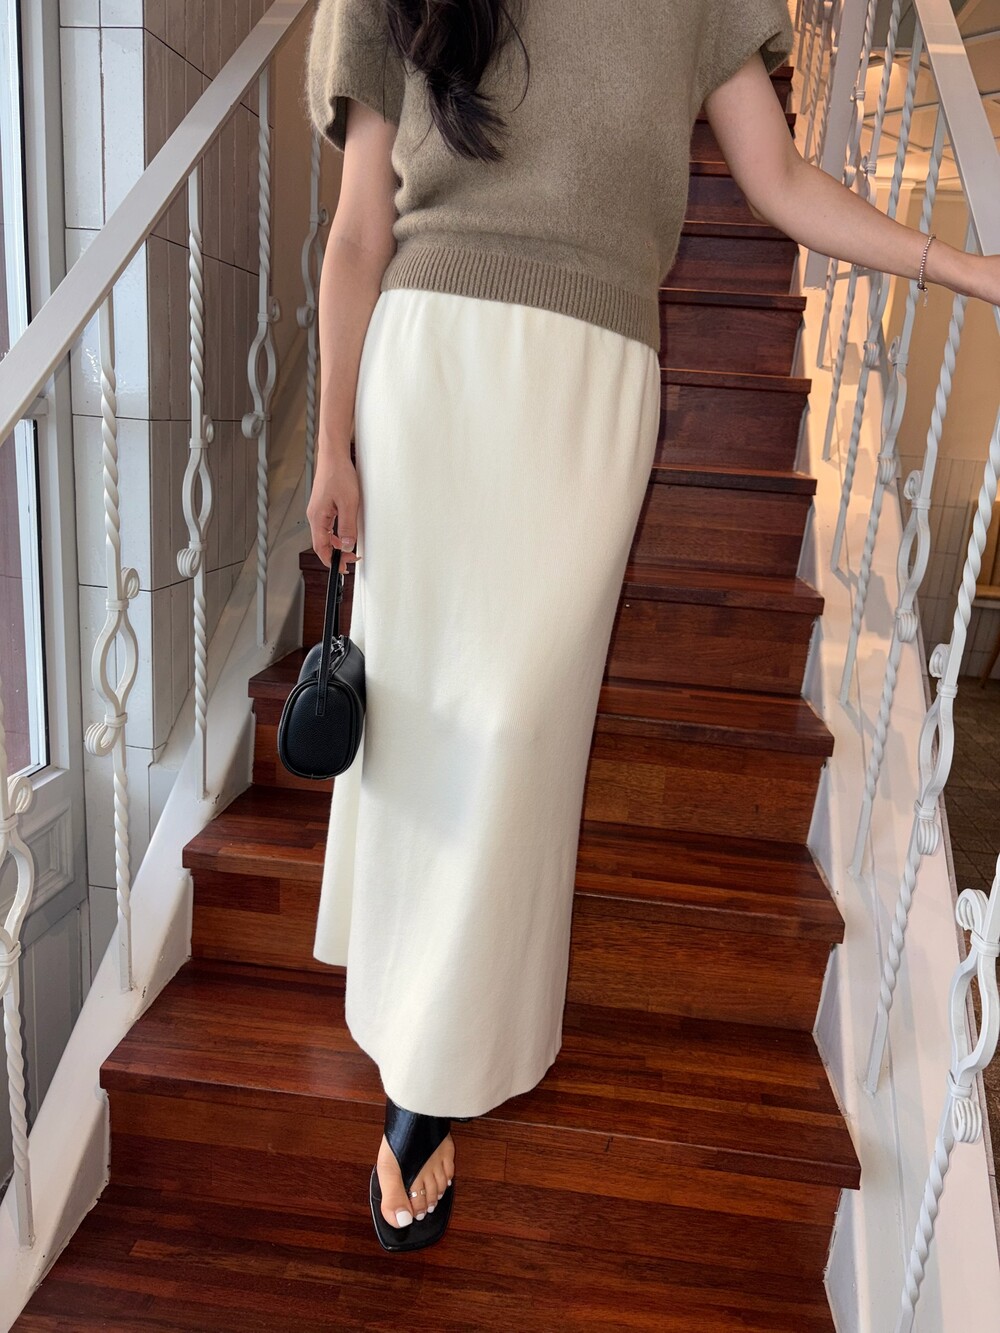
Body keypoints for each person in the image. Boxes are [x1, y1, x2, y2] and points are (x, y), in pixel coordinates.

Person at [301, 0, 1000, 1254]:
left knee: (514, 731)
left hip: (592, 388)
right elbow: (358, 231)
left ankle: (429, 1049)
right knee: (426, 723)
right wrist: (331, 445)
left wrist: (958, 267)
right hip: (428, 372)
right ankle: (419, 1070)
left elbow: (780, 180)